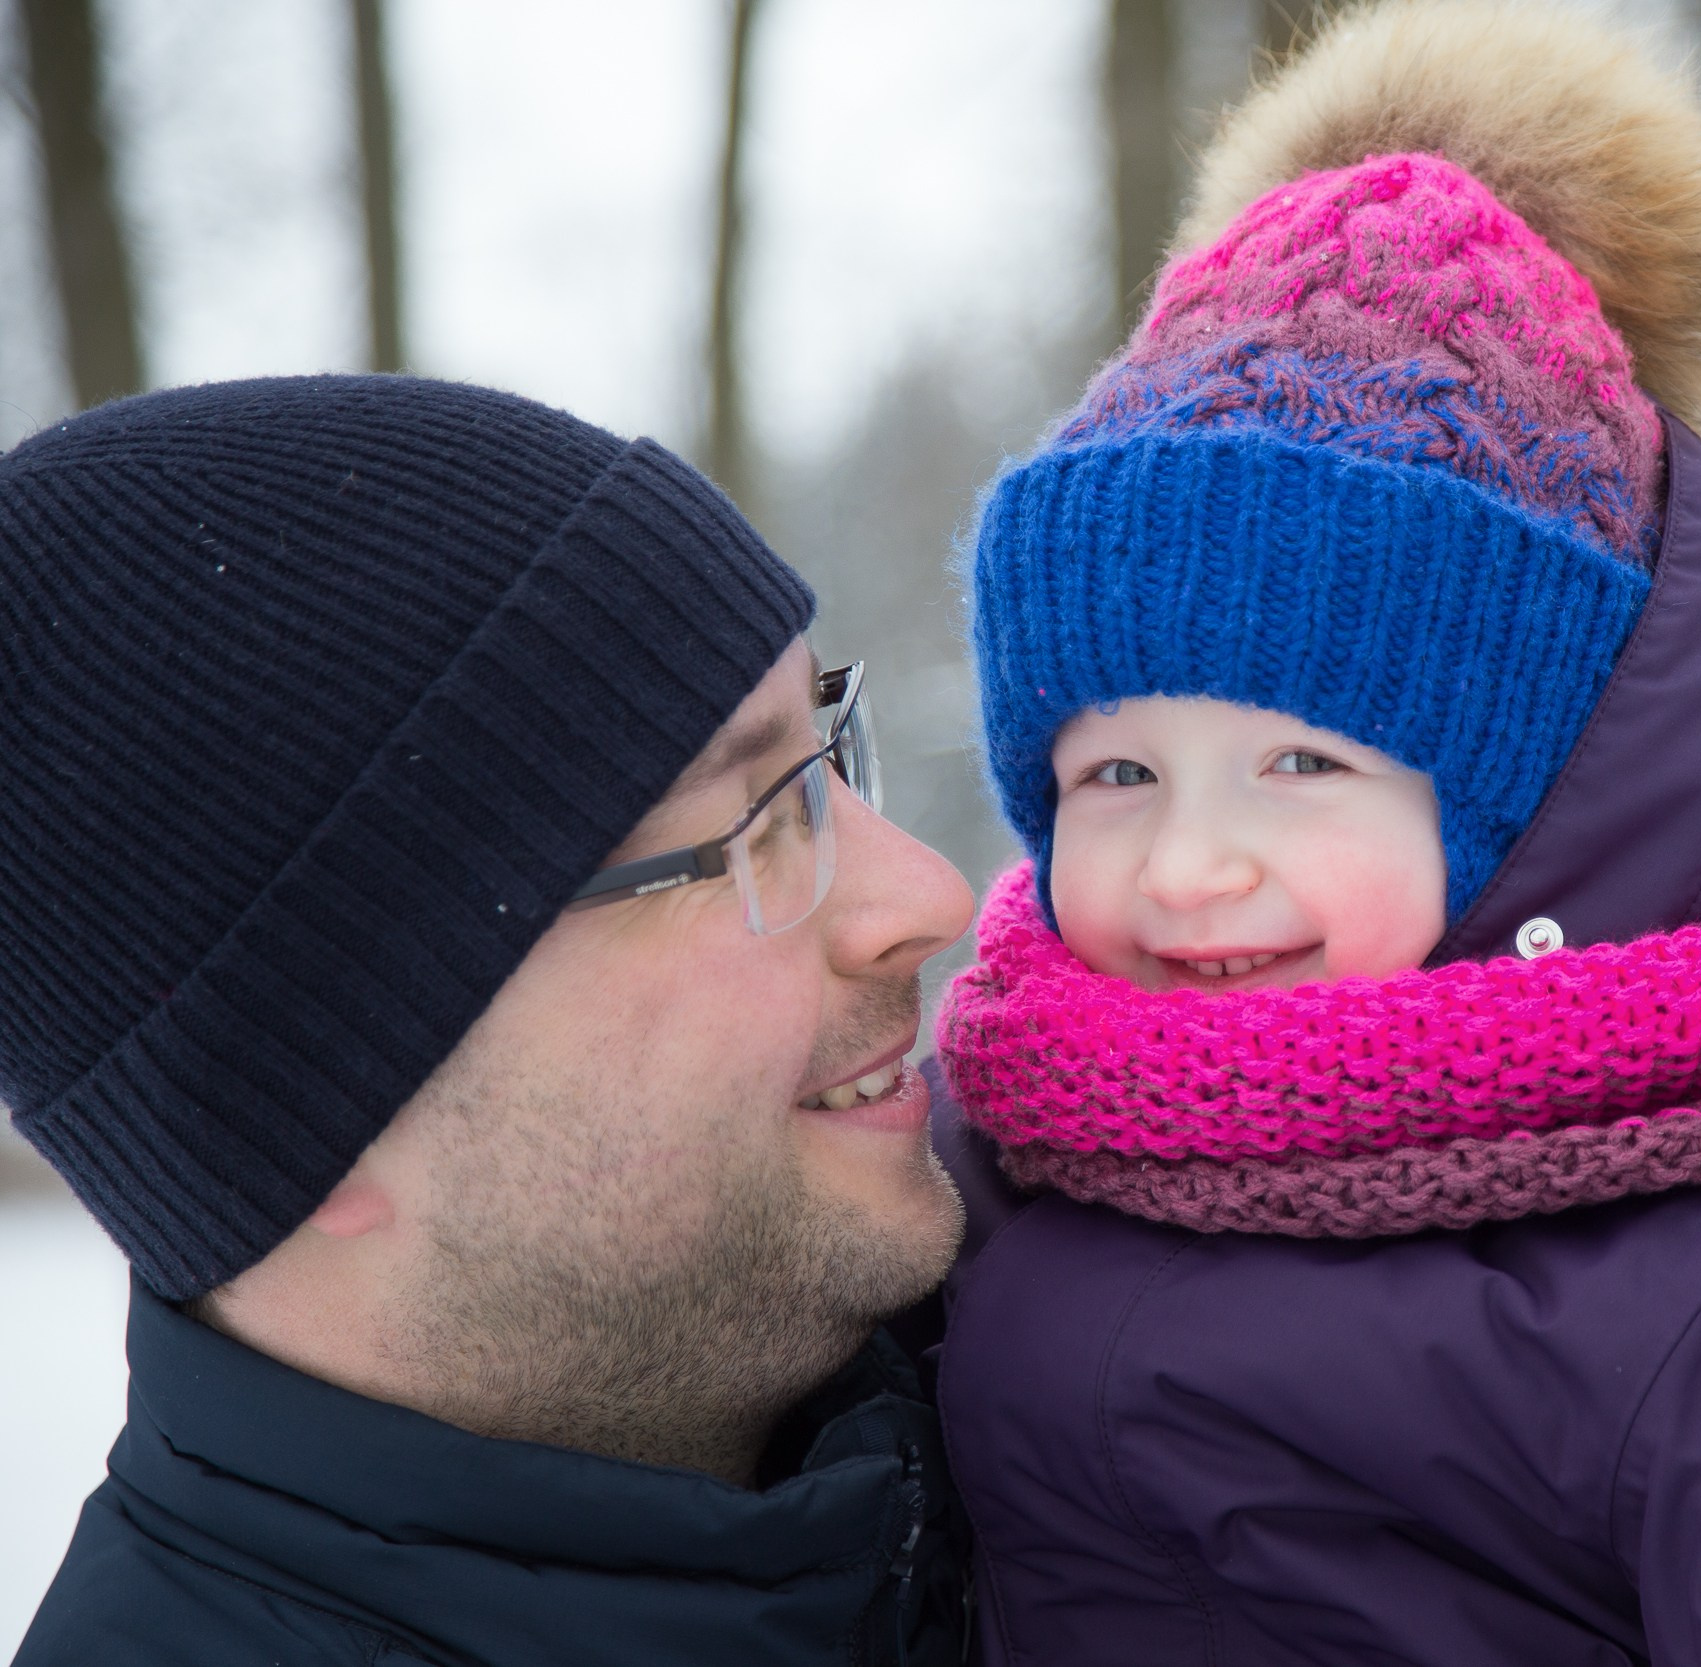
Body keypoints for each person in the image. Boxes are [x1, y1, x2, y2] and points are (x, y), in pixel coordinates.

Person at [929, 4, 1701, 1664]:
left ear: (1525, 788)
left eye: (1303, 768)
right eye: (1117, 778)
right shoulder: (995, 1151)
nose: (1187, 867)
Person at [1, 375, 977, 1665]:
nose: (930, 894)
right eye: (751, 823)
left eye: (821, 756)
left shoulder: (1107, 1457)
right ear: (319, 1107)